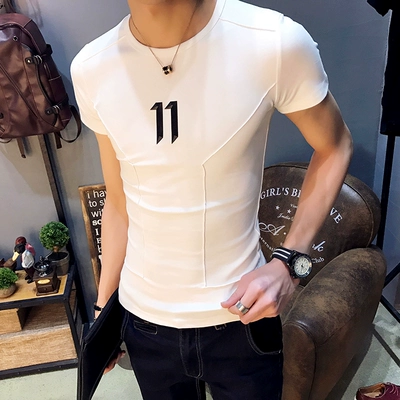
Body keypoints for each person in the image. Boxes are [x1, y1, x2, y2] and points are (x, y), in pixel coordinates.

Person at [71, 0, 353, 398]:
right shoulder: (91, 67)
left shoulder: (273, 41)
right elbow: (118, 200)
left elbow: (335, 145)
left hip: (241, 320)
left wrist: (289, 262)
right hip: (144, 324)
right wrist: (104, 309)